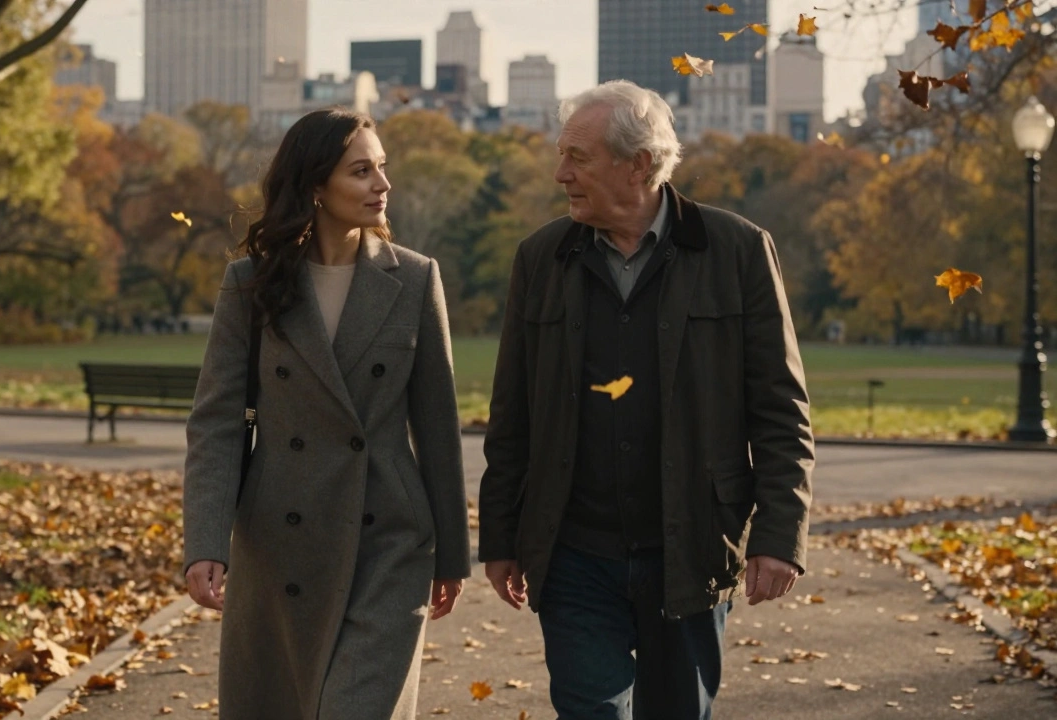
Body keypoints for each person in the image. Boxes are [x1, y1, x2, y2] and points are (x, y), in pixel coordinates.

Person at [478, 80, 814, 720]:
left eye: (578, 157)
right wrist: (500, 536)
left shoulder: (739, 250)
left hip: (690, 549)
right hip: (573, 552)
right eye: (561, 155)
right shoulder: (540, 258)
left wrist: (779, 533)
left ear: (640, 163)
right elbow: (512, 413)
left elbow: (780, 410)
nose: (560, 174)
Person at [182, 107, 471, 720]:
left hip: (390, 539)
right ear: (316, 186)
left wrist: (452, 554)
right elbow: (217, 422)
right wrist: (206, 541)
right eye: (362, 171)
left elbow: (439, 430)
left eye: (383, 168)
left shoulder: (416, 279)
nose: (382, 185)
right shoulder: (250, 284)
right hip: (282, 542)